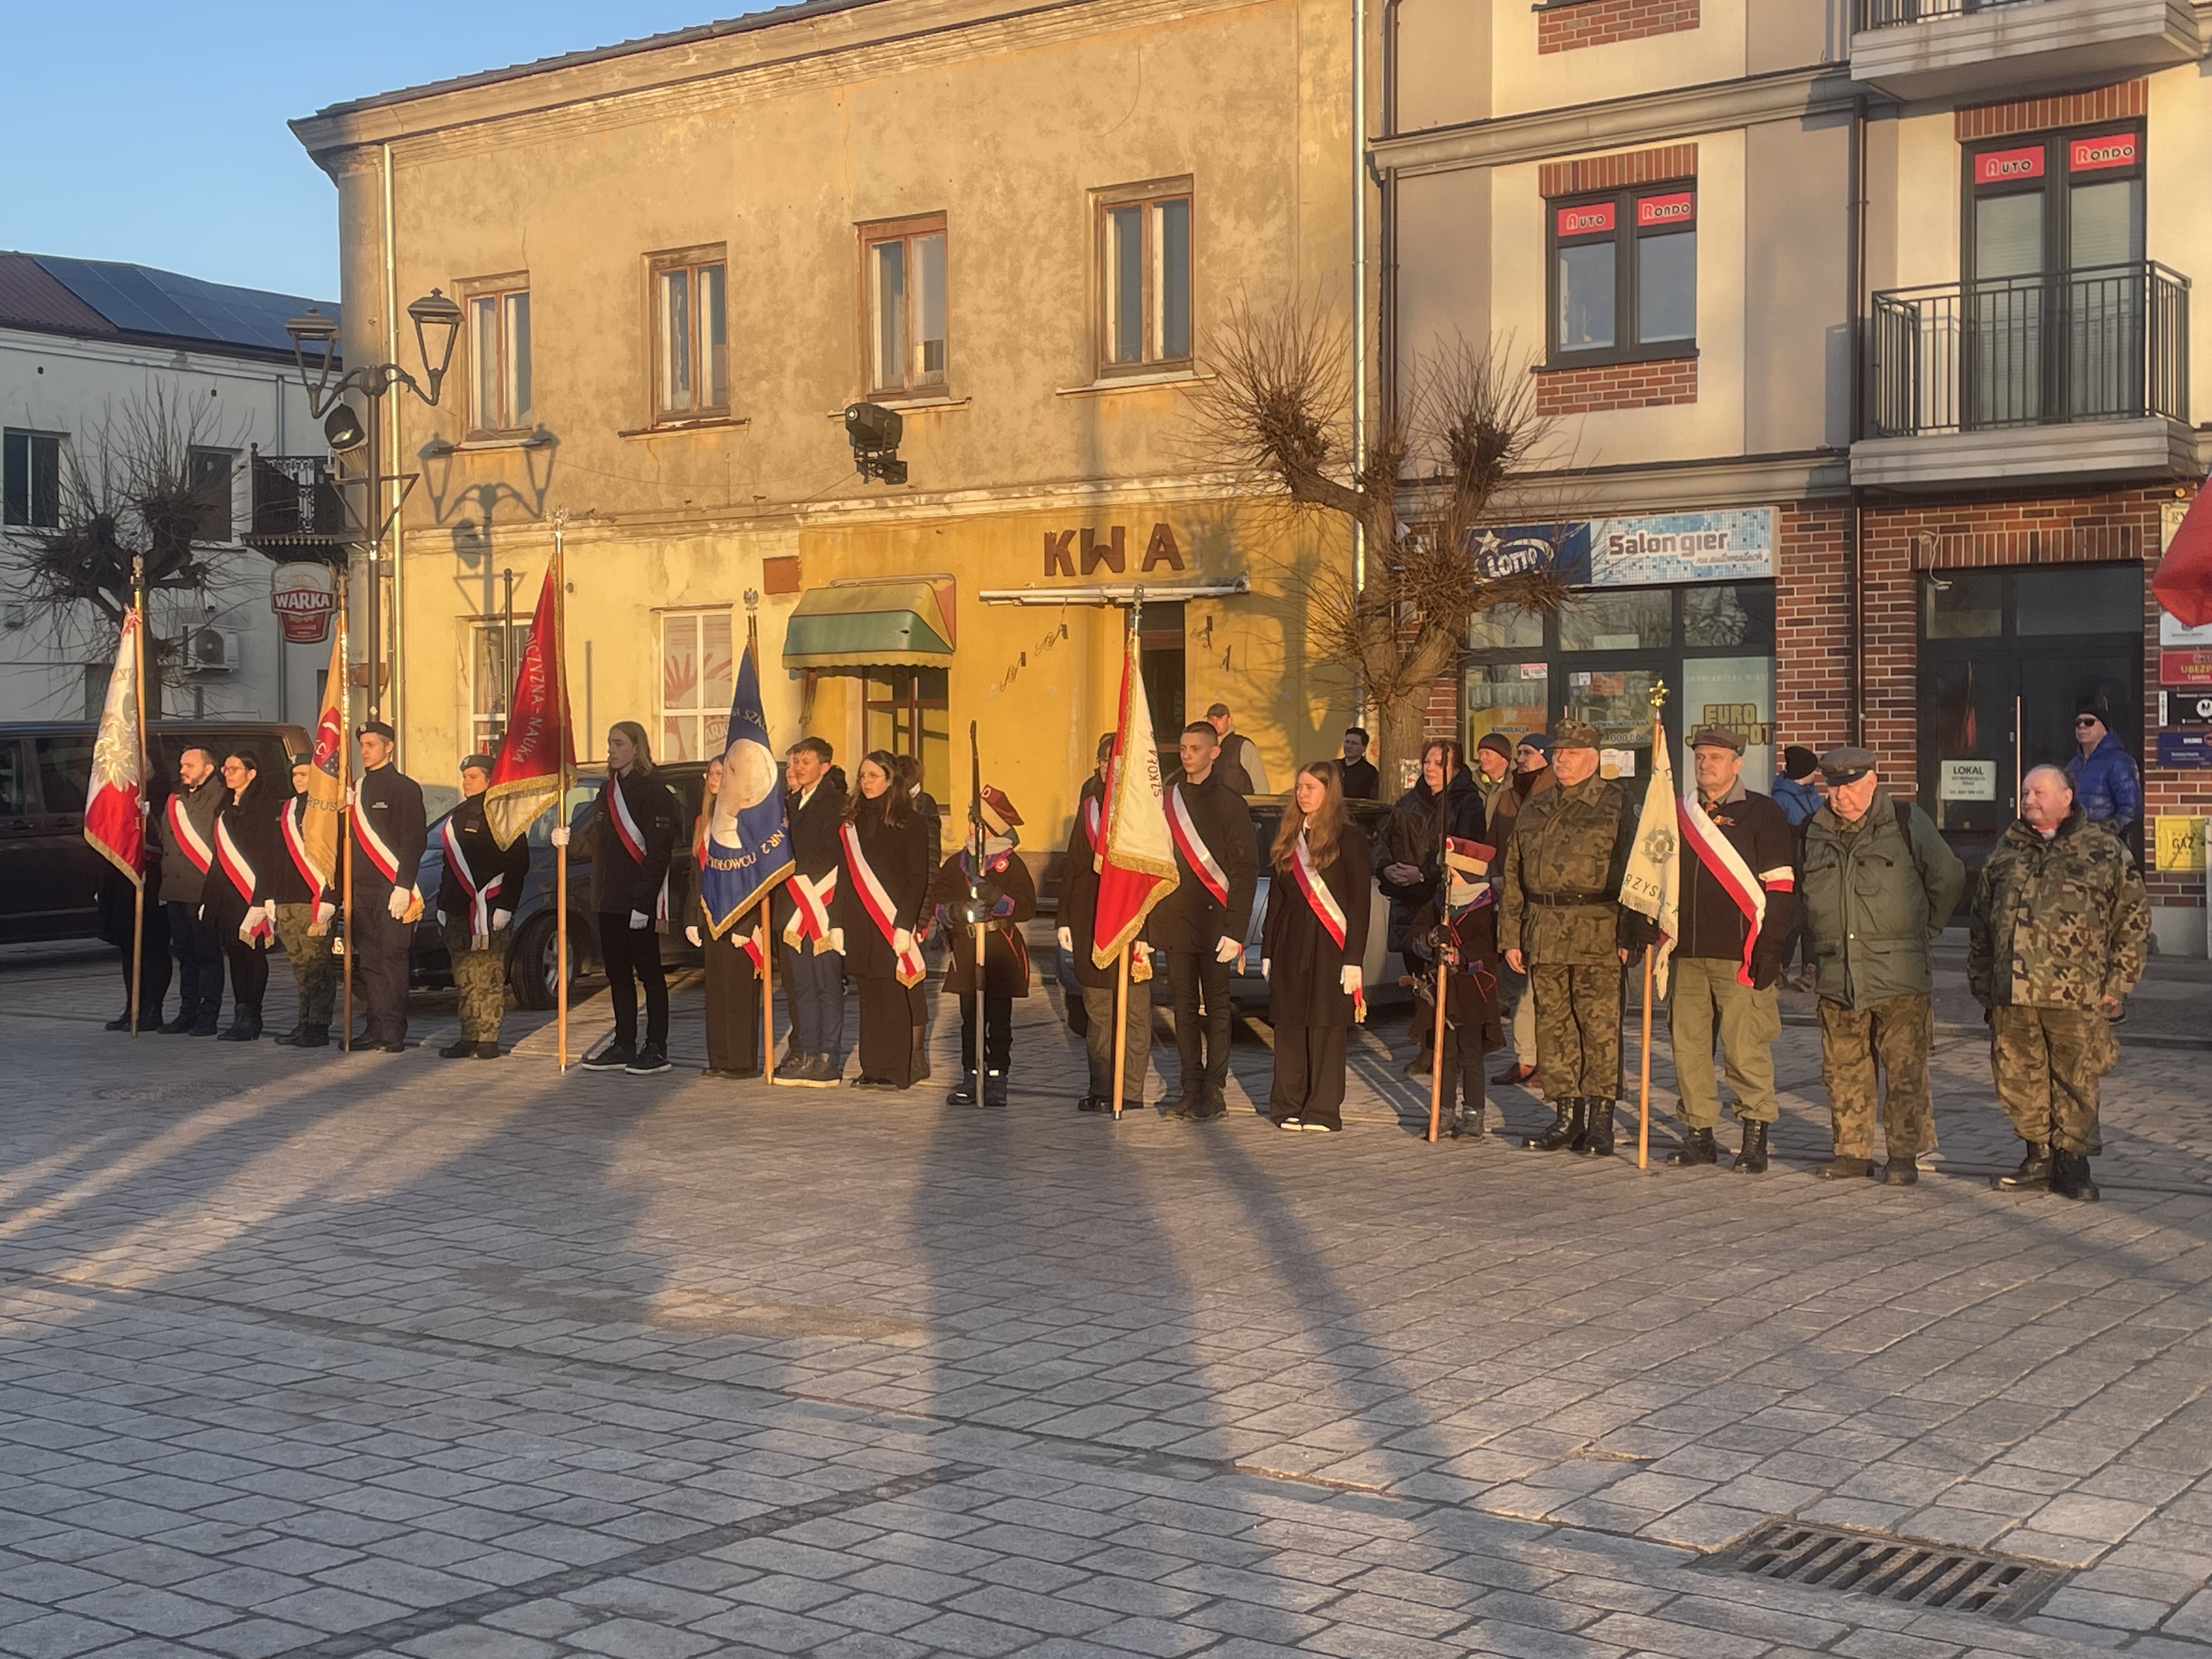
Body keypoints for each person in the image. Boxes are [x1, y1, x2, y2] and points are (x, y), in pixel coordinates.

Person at [1969, 764, 2148, 1203]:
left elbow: (2133, 920)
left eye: (2040, 792)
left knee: (2077, 1078)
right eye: (2026, 792)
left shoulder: (2103, 849)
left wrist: (2117, 984)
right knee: (2019, 1077)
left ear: (2067, 797)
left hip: (2076, 992)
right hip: (2013, 992)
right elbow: (1981, 924)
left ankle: (2073, 1163)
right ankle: (2038, 1156)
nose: (2029, 799)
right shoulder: (2007, 851)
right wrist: (1983, 983)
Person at [1801, 746, 1965, 1184]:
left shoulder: (1907, 823)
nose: (1840, 797)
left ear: (1873, 783)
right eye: (1833, 788)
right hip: (1839, 973)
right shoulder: (1812, 831)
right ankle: (1852, 1153)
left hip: (1899, 975)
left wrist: (1923, 928)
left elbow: (1948, 877)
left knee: (1905, 1069)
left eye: (1850, 787)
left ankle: (1902, 1157)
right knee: (1844, 1069)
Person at [1498, 720, 1638, 1158]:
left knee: (1598, 1027)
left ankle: (1600, 1120)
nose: (1562, 760)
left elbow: (1635, 875)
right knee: (1553, 1027)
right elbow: (1514, 874)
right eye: (1558, 753)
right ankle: (1565, 1115)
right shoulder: (1535, 807)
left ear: (1594, 760)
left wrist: (1631, 932)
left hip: (1598, 928)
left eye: (1572, 753)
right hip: (1545, 929)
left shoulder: (1616, 804)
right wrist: (1511, 936)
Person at [1664, 729, 1798, 1175]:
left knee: (1746, 1048)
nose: (1706, 765)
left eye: (1716, 757)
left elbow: (1781, 887)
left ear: (1737, 763)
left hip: (1741, 952)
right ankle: (1699, 1133)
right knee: (1689, 1049)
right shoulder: (1678, 812)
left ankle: (1755, 1134)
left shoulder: (1763, 813)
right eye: (1701, 757)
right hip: (1687, 952)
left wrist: (1771, 947)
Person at [1153, 720, 1259, 1120]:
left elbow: (1245, 869)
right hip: (1178, 921)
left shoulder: (1231, 804)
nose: (1186, 755)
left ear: (1215, 752)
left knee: (1216, 1009)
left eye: (1195, 748)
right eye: (1182, 747)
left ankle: (1214, 1091)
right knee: (1182, 1010)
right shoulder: (1167, 801)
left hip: (1216, 925)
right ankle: (1189, 1086)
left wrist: (1237, 930)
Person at [1261, 761, 1373, 1133]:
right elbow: (1278, 899)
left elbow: (1360, 903)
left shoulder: (1350, 838)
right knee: (1290, 1023)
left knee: (1325, 1026)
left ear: (1329, 792)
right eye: (1299, 787)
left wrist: (1354, 958)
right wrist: (1267, 949)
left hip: (1331, 945)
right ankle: (1288, 1105)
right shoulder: (1290, 835)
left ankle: (1323, 1109)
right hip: (1291, 940)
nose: (1303, 793)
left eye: (1311, 787)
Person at [572, 721, 679, 1075]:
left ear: (637, 748)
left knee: (649, 974)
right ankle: (624, 1043)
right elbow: (598, 842)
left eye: (619, 743)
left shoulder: (654, 792)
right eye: (609, 743)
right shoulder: (608, 790)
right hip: (609, 900)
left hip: (638, 902)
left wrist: (642, 902)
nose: (612, 750)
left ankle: (656, 1046)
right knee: (617, 975)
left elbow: (659, 853)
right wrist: (568, 839)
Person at [1375, 738, 1484, 1075]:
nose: (1431, 769)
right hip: (1410, 906)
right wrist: (1386, 868)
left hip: (1446, 905)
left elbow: (1469, 856)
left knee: (1448, 981)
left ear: (1455, 767)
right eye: (1428, 762)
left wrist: (1424, 873)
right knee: (1419, 981)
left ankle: (1450, 1049)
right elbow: (1381, 844)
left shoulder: (1467, 803)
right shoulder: (1406, 803)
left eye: (1439, 764)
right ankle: (1427, 1045)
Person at [1058, 733, 1154, 1113]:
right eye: (1102, 761)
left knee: (1132, 1014)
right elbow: (1071, 866)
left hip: (1131, 925)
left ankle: (1128, 1091)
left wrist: (1148, 933)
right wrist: (1064, 917)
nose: (1105, 767)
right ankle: (1102, 1086)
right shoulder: (1089, 809)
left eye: (1114, 761)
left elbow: (1152, 878)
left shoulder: (1143, 813)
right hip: (1090, 922)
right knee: (1098, 1013)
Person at [931, 786, 1037, 1107]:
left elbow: (1027, 907)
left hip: (1000, 949)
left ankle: (997, 1078)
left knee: (999, 1018)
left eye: (978, 823)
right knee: (970, 1017)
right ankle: (971, 1076)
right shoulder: (957, 864)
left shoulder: (1010, 864)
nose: (972, 829)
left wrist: (995, 897)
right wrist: (955, 911)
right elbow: (938, 900)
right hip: (968, 947)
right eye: (970, 821)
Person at [837, 751, 932, 1091]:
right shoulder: (851, 823)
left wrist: (905, 924)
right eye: (862, 776)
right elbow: (846, 877)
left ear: (891, 780)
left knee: (894, 995)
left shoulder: (912, 822)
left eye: (874, 776)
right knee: (868, 996)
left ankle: (896, 1069)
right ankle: (872, 1067)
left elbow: (916, 877)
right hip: (860, 921)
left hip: (892, 921)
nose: (867, 782)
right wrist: (837, 923)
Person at [433, 754, 531, 1059]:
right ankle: (469, 1035)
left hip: (490, 908)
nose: (466, 782)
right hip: (459, 908)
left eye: (474, 777)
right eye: (465, 777)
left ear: (491, 780)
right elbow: (450, 864)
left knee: (487, 974)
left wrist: (507, 905)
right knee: (464, 976)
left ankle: (488, 1037)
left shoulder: (503, 815)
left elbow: (518, 864)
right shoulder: (457, 815)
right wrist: (442, 902)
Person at [1407, 839, 1502, 1139]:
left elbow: (1490, 949)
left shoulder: (1486, 905)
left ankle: (1474, 1114)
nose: (1447, 879)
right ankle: (1444, 1111)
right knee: (1444, 1053)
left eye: (1453, 873)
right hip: (1443, 993)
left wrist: (1462, 955)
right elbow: (1415, 935)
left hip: (1472, 993)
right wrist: (1432, 939)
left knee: (1471, 1054)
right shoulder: (1438, 903)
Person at [345, 722, 427, 1053]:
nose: (365, 751)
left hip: (391, 889)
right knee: (369, 963)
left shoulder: (404, 788)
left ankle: (393, 1030)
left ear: (389, 747)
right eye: (362, 745)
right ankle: (374, 1027)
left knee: (393, 959)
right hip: (362, 889)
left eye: (371, 745)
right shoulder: (356, 789)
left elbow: (414, 841)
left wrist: (403, 885)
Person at [687, 754, 768, 1080]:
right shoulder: (703, 821)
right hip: (711, 917)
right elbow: (697, 876)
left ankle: (741, 1061)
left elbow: (755, 876)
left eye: (722, 773)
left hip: (738, 920)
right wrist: (692, 918)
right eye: (712, 773)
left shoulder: (746, 822)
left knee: (739, 994)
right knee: (717, 992)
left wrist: (747, 923)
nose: (715, 778)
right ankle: (719, 1057)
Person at [774, 736, 849, 1085]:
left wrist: (790, 866)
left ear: (825, 766)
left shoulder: (837, 804)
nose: (798, 768)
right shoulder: (789, 803)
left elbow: (833, 853)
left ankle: (828, 1053)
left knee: (827, 983)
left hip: (824, 904)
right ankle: (806, 1049)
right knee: (801, 984)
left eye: (805, 761)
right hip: (793, 907)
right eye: (795, 761)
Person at [1488, 733, 1554, 1090]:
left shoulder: (1554, 794)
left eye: (1528, 753)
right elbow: (1494, 844)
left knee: (1543, 991)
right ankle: (1526, 1059)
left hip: (1548, 910)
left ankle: (1549, 1061)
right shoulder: (1508, 798)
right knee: (1519, 988)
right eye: (1520, 753)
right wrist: (1496, 874)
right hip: (1513, 906)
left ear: (1546, 756)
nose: (1520, 759)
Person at [202, 748, 278, 1043]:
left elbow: (268, 856)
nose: (227, 773)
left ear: (252, 773)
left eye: (234, 768)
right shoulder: (224, 806)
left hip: (252, 895)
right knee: (234, 954)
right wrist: (209, 897)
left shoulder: (265, 807)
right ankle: (240, 1014)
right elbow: (218, 857)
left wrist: (262, 900)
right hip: (227, 894)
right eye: (226, 768)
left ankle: (253, 1016)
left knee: (253, 955)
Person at [155, 745, 226, 1036]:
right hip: (175, 889)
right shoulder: (176, 800)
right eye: (182, 765)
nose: (182, 771)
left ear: (208, 769)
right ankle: (188, 1011)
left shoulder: (221, 798)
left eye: (190, 766)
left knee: (207, 955)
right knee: (185, 956)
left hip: (202, 890)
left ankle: (208, 1015)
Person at [270, 757, 338, 1049]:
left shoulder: (327, 810)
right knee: (300, 967)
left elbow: (338, 855)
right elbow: (272, 856)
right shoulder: (286, 810)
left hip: (314, 898)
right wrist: (268, 897)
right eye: (295, 774)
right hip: (287, 899)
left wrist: (331, 899)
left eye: (304, 774)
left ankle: (319, 1025)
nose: (298, 779)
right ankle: (305, 1021)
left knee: (318, 967)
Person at [893, 752, 940, 1080]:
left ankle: (916, 1055)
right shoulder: (891, 808)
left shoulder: (924, 807)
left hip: (915, 910)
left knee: (913, 982)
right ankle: (897, 1051)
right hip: (887, 907)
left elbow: (930, 865)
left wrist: (922, 917)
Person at [96, 832, 170, 1031]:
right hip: (121, 873)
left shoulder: (158, 802)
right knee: (128, 948)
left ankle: (154, 1009)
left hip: (151, 876)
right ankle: (134, 1006)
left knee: (154, 948)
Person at [1770, 744, 1823, 992]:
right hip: (1794, 867)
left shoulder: (1812, 795)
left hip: (1814, 866)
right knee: (1795, 919)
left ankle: (1809, 969)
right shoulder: (1782, 800)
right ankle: (1782, 967)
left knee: (1812, 920)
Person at [2065, 701, 2141, 840]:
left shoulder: (2120, 761)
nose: (2082, 726)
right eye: (2078, 723)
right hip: (2073, 844)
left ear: (2105, 728)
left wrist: (2105, 835)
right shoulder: (2072, 765)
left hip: (2106, 848)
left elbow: (2131, 810)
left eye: (2089, 722)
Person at [1205, 703, 1268, 795]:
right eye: (1211, 719)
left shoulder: (1244, 746)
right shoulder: (1205, 748)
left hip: (1240, 807)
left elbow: (1261, 787)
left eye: (1219, 719)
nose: (1214, 723)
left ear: (1230, 721)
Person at [1472, 732, 1514, 822]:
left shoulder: (1518, 785)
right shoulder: (1470, 783)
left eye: (1488, 753)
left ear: (1504, 757)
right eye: (1480, 754)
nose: (1481, 758)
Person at [1338, 727, 1380, 801]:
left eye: (1354, 743)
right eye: (1347, 742)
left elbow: (1371, 800)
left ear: (1364, 748)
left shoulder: (1370, 772)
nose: (1349, 746)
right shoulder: (1333, 767)